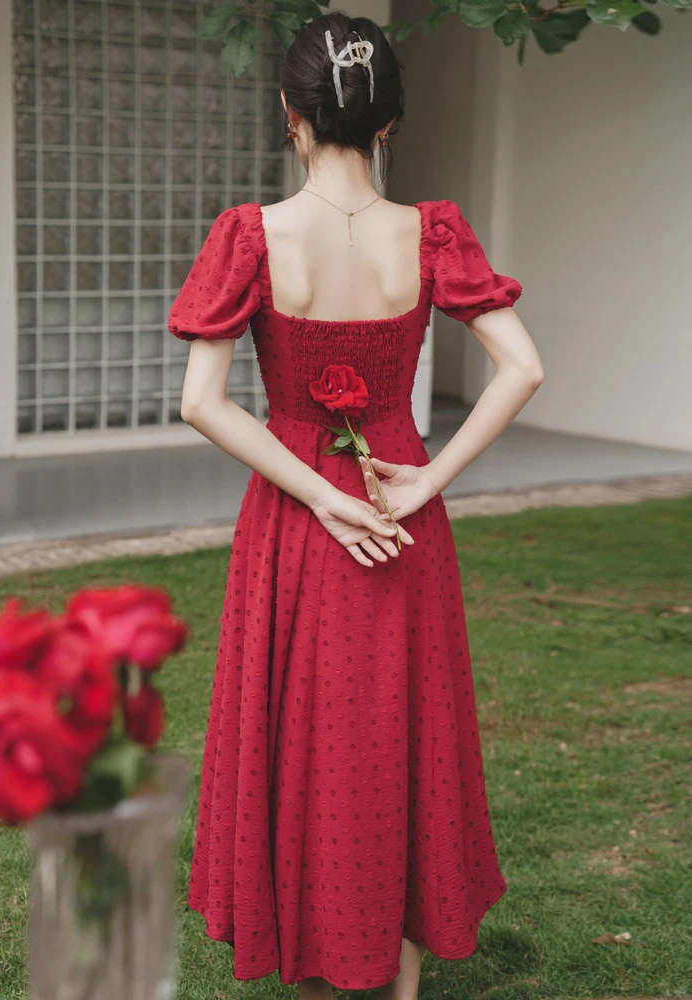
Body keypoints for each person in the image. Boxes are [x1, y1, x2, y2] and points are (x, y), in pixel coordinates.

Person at [168, 11, 544, 1000]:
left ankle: (311, 960)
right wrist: (428, 478)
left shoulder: (251, 235)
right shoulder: (432, 233)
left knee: (300, 743)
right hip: (402, 509)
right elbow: (523, 368)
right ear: (388, 125)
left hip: (297, 517)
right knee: (401, 740)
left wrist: (319, 499)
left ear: (291, 115)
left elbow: (202, 403)